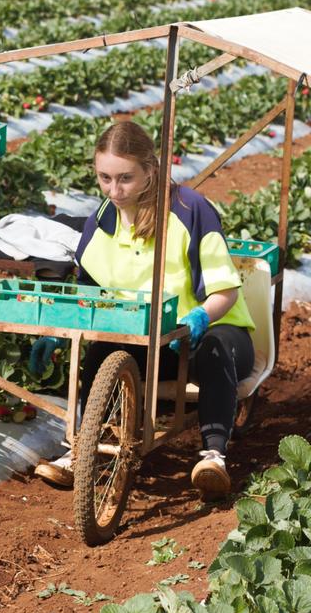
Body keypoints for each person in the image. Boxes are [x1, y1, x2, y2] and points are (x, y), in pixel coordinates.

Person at [29, 120, 255, 497]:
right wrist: (57, 330)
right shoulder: (102, 220)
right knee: (102, 350)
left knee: (215, 347)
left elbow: (226, 292)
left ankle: (213, 456)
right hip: (152, 340)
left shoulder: (189, 210)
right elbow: (89, 291)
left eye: (125, 178)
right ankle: (86, 450)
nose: (114, 190)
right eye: (105, 178)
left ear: (150, 169)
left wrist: (200, 316)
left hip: (209, 339)